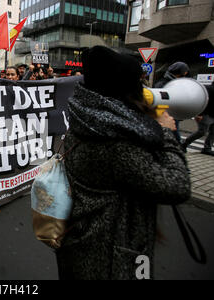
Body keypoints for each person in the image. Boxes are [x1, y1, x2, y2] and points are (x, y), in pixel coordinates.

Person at [57, 46, 191, 280]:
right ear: (123, 89)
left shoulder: (87, 118)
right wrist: (167, 133)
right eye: (138, 82)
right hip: (110, 258)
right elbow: (177, 185)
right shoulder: (117, 142)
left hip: (79, 245)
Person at [182, 75, 214, 156]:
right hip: (206, 114)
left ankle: (207, 148)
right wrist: (199, 114)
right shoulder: (209, 89)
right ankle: (184, 143)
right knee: (201, 132)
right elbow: (201, 100)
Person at [154, 62, 190, 143]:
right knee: (173, 133)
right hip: (166, 114)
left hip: (172, 113)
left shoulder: (176, 83)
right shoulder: (163, 84)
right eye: (185, 72)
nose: (186, 74)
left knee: (173, 132)